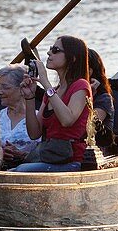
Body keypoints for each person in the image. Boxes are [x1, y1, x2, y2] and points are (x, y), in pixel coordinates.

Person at [12, 34, 92, 172]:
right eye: (50, 48)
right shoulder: (52, 92)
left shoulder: (81, 86)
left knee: (20, 171)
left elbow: (67, 120)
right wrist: (29, 98)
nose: (49, 52)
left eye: (55, 50)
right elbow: (34, 133)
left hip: (72, 160)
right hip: (50, 157)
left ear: (72, 58)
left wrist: (45, 82)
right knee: (12, 170)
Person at [0, 64, 40, 170]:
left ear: (22, 88)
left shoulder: (38, 118)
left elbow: (45, 152)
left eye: (5, 88)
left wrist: (22, 155)